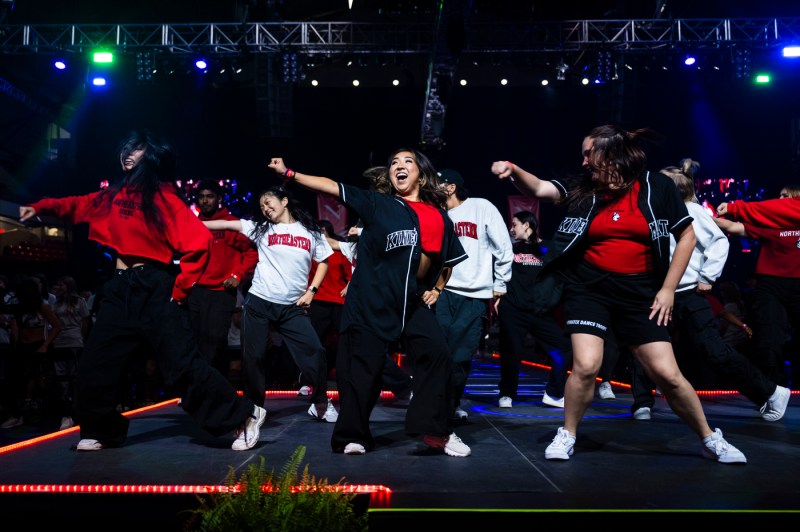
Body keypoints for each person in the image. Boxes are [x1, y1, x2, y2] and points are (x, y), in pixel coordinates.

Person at [491, 124, 746, 464]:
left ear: (610, 154)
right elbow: (539, 188)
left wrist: (668, 289)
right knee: (585, 365)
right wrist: (513, 170)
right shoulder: (583, 189)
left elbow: (686, 237)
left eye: (588, 153)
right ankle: (567, 433)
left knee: (667, 374)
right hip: (589, 289)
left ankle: (709, 437)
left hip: (640, 292)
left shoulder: (657, 187)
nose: (582, 162)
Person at [18, 129, 265, 451]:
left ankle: (242, 417)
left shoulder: (164, 200)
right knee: (96, 362)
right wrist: (41, 206)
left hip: (154, 285)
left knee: (181, 364)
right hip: (119, 288)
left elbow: (199, 243)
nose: (128, 153)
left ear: (151, 158)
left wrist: (179, 291)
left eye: (137, 150)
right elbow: (77, 205)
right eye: (127, 148)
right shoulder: (113, 196)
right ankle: (101, 429)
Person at [266, 149, 471, 457]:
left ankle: (435, 431)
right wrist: (290, 174)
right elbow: (331, 186)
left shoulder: (440, 216)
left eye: (407, 162)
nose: (399, 167)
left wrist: (438, 289)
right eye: (394, 164)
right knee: (363, 370)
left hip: (412, 300)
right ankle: (353, 435)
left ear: (422, 173)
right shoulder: (379, 204)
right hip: (373, 298)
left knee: (437, 355)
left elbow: (449, 260)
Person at [659, 158, 790, 421]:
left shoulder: (692, 211)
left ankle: (771, 392)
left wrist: (708, 276)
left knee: (714, 351)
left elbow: (720, 242)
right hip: (668, 294)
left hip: (688, 293)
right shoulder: (665, 215)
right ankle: (642, 400)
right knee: (651, 343)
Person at [202, 185, 338, 423]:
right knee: (253, 358)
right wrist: (181, 222)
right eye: (261, 205)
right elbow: (223, 224)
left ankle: (320, 403)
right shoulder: (259, 229)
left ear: (284, 201)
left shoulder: (310, 231)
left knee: (315, 352)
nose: (265, 208)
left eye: (268, 202)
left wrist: (311, 291)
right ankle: (254, 410)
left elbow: (324, 261)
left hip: (292, 307)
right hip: (259, 304)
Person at [436, 168, 513, 420]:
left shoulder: (481, 207)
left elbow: (503, 246)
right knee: (439, 352)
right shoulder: (436, 213)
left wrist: (500, 283)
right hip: (442, 292)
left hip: (475, 295)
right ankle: (439, 402)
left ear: (450, 187)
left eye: (437, 183)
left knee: (461, 355)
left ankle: (451, 401)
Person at [715, 184, 800, 389]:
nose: (780, 200)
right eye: (778, 196)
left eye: (785, 196)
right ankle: (773, 391)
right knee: (769, 340)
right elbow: (734, 228)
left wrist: (735, 207)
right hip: (770, 285)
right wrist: (703, 218)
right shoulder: (768, 222)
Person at [496, 210, 572, 409]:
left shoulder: (547, 248)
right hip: (513, 309)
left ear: (527, 226)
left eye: (515, 225)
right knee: (511, 352)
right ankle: (507, 394)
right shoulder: (510, 249)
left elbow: (560, 275)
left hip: (539, 312)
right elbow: (498, 272)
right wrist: (497, 295)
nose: (511, 229)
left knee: (563, 348)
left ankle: (554, 393)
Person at [188, 179, 258, 375]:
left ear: (219, 199)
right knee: (194, 341)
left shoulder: (230, 223)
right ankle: (198, 390)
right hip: (194, 291)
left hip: (221, 292)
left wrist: (238, 275)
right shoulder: (192, 224)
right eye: (201, 197)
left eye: (209, 196)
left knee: (215, 342)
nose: (205, 201)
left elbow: (252, 253)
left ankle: (213, 392)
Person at [49, 275, 91, 430]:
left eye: (61, 284)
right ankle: (66, 412)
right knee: (61, 379)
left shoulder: (80, 301)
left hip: (74, 340)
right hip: (59, 341)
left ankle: (77, 411)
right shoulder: (56, 302)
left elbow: (85, 321)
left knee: (75, 376)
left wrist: (81, 337)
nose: (58, 287)